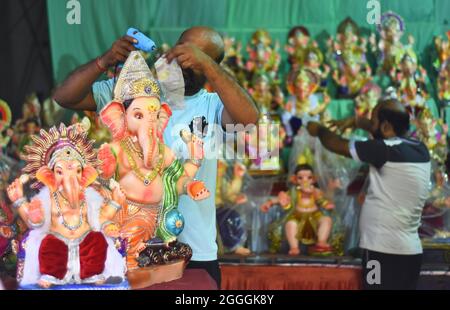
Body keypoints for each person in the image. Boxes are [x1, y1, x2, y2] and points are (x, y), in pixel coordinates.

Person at [52, 26, 259, 288]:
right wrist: (103, 61)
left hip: (194, 252)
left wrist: (206, 65)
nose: (184, 61)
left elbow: (249, 119)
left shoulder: (213, 105)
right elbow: (64, 96)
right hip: (130, 247)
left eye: (197, 57)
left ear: (212, 65)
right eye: (182, 49)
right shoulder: (134, 94)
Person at [307, 98, 430, 290]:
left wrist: (318, 129)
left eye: (372, 122)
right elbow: (383, 131)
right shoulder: (420, 149)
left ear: (387, 126)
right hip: (410, 252)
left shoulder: (383, 150)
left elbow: (335, 144)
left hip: (381, 251)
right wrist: (357, 122)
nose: (370, 125)